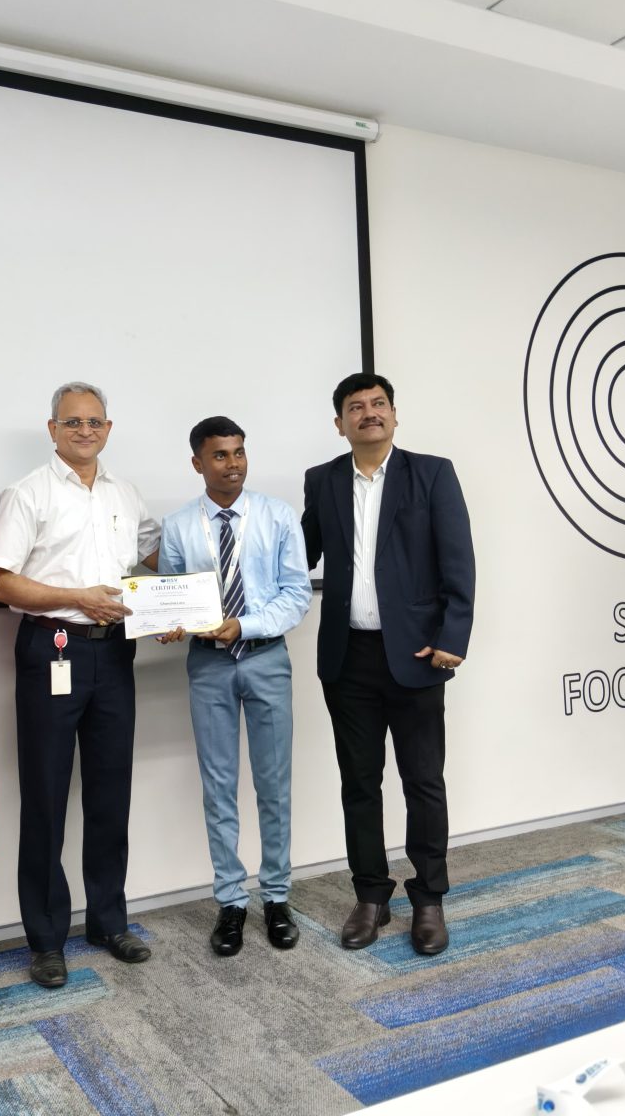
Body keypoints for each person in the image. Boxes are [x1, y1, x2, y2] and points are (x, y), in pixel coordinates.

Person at [0, 382, 160, 989]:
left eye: (94, 422)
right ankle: (46, 940)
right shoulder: (28, 493)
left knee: (111, 793)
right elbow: (0, 580)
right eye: (72, 422)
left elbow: (154, 556)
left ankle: (109, 922)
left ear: (108, 429)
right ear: (52, 429)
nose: (85, 431)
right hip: (51, 648)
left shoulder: (125, 493)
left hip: (115, 652)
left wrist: (177, 602)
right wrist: (76, 597)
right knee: (46, 795)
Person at [302, 372, 474, 956]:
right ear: (340, 423)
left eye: (379, 404)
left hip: (418, 654)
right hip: (348, 657)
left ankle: (429, 899)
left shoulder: (432, 474)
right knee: (359, 784)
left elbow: (458, 560)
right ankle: (371, 896)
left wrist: (453, 635)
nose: (369, 413)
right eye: (356, 406)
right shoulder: (323, 480)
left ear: (395, 415)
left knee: (423, 782)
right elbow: (297, 555)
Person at [158, 417, 312, 956]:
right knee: (219, 785)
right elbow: (172, 594)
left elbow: (296, 594)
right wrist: (170, 623)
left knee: (274, 784)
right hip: (209, 665)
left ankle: (276, 897)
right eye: (220, 455)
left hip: (266, 658)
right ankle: (230, 901)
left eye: (239, 452)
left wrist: (244, 625)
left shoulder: (277, 515)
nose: (233, 464)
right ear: (197, 463)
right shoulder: (179, 526)